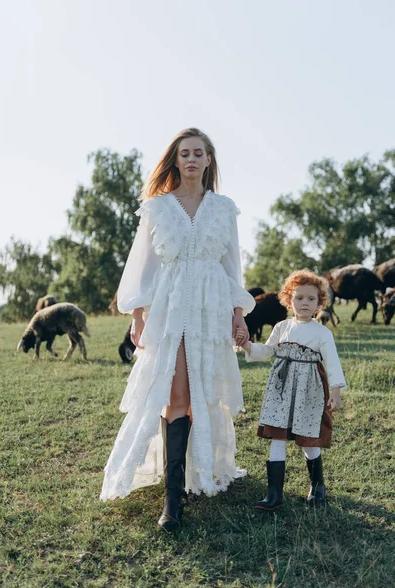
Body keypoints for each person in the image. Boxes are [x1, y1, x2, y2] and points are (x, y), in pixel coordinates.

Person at [100, 128, 255, 531]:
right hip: (169, 307)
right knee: (175, 391)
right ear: (175, 159)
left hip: (210, 305)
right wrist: (137, 315)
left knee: (200, 388)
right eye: (184, 153)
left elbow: (231, 265)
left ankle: (191, 476)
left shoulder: (223, 209)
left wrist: (238, 314)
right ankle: (173, 498)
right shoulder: (157, 208)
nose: (190, 159)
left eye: (197, 153)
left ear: (208, 160)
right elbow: (142, 267)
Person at [236, 269, 346, 510]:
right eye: (299, 298)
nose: (305, 303)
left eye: (311, 299)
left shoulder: (322, 333)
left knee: (308, 439)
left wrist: (336, 392)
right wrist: (246, 345)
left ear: (319, 302)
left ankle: (318, 486)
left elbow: (333, 363)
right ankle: (274, 495)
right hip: (281, 388)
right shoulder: (282, 327)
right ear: (288, 299)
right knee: (278, 435)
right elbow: (266, 351)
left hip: (309, 390)